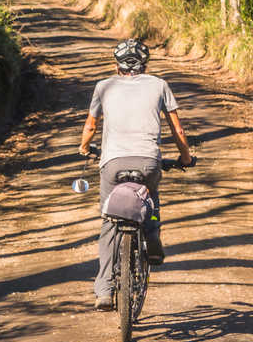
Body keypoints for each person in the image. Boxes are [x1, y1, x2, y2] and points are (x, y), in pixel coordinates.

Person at [78, 38, 193, 311]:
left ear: (116, 65)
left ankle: (104, 290)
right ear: (146, 64)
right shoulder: (159, 85)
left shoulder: (103, 86)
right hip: (148, 161)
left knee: (109, 220)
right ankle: (152, 234)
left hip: (113, 163)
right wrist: (186, 158)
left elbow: (91, 125)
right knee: (150, 198)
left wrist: (84, 148)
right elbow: (178, 130)